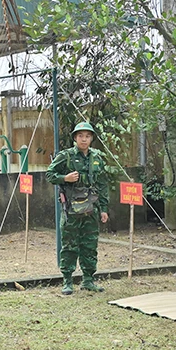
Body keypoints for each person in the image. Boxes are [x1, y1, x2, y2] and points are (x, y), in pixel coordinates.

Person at [46, 122, 109, 295]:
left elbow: (102, 185)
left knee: (90, 245)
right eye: (80, 136)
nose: (84, 139)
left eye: (87, 136)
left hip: (91, 210)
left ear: (92, 138)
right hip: (71, 210)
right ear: (75, 138)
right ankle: (67, 280)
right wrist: (65, 178)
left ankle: (88, 280)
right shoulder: (65, 156)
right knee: (69, 245)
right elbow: (49, 174)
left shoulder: (97, 158)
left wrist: (104, 208)